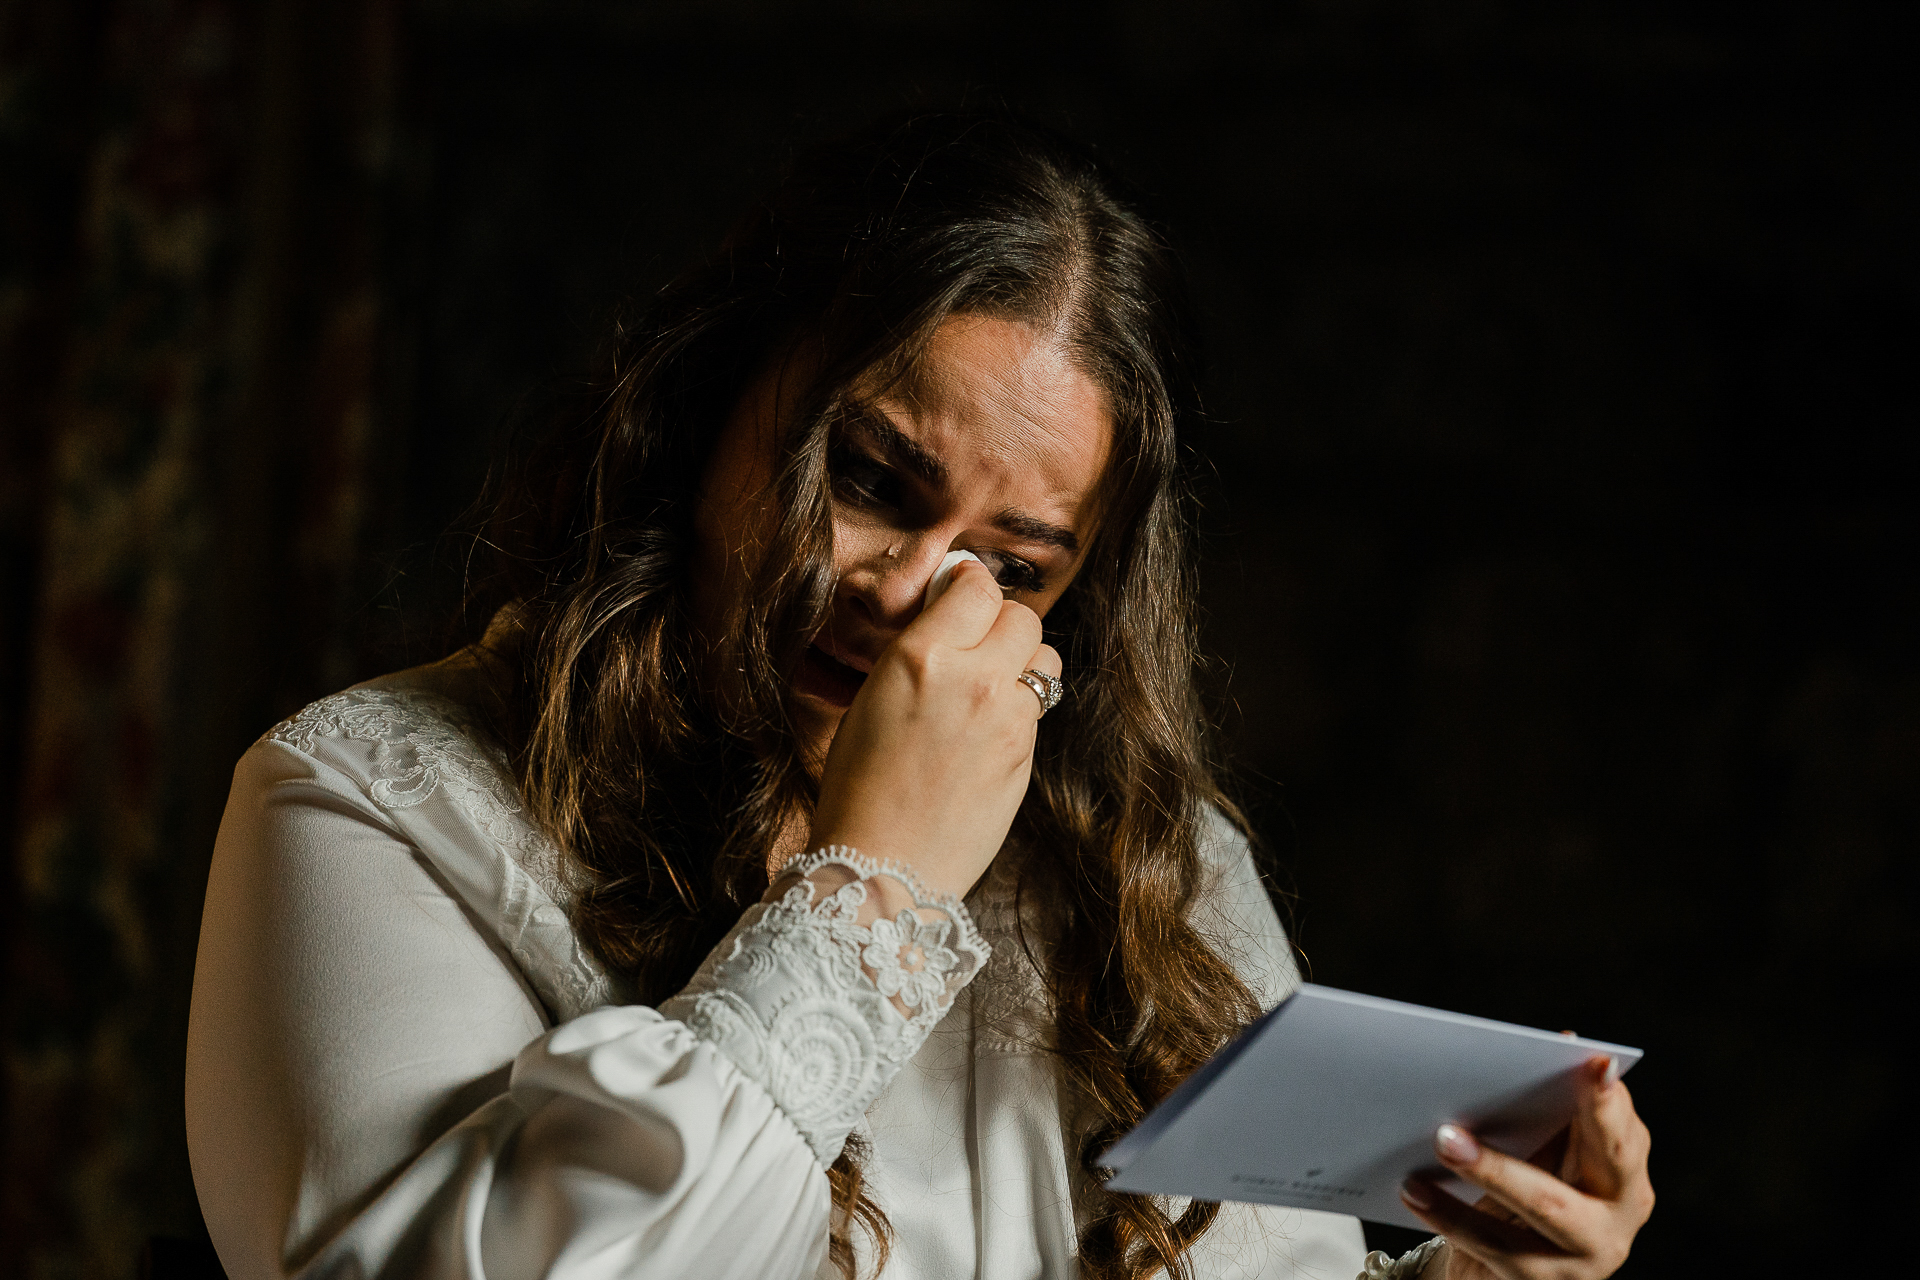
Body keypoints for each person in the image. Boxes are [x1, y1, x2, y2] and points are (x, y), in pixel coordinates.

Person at [185, 112, 1653, 1280]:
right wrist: (872, 891)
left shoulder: (1156, 856)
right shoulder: (370, 800)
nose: (912, 598)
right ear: (712, 399)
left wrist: (1481, 1275)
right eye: (875, 481)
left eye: (1013, 564)